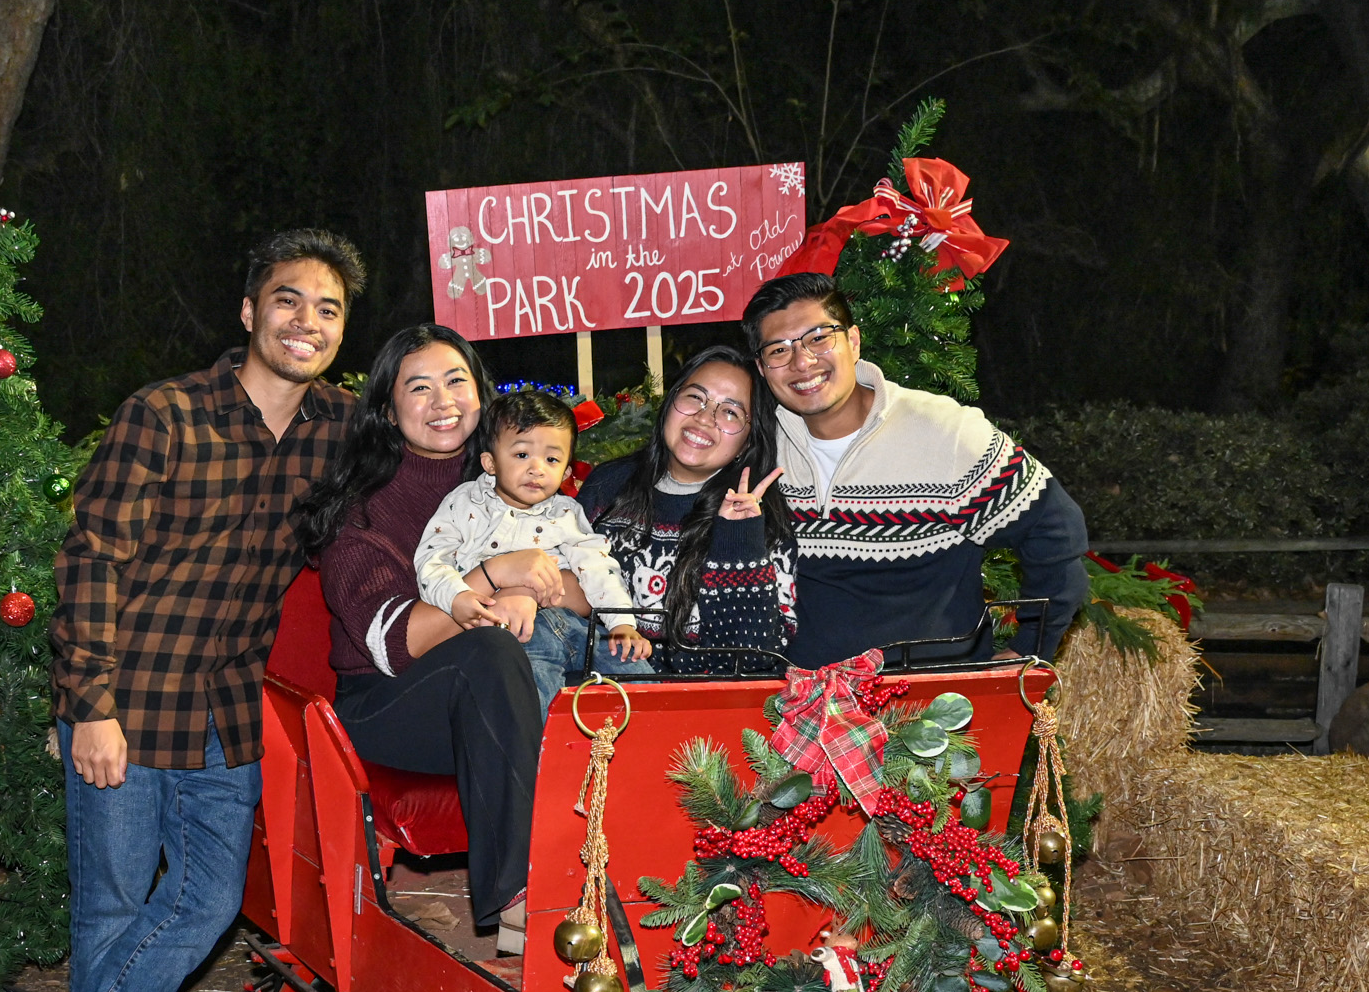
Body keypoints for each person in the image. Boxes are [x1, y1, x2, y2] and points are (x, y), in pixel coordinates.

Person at [0, 228, 365, 992]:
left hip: (230, 708)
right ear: (249, 312)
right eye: (289, 300)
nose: (306, 322)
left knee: (201, 906)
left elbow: (438, 450)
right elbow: (92, 562)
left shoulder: (339, 430)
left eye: (328, 310)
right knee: (113, 906)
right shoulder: (164, 414)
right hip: (130, 696)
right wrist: (89, 705)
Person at [292, 324, 569, 956]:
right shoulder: (363, 510)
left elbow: (579, 583)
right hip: (386, 705)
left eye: (456, 382)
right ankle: (523, 900)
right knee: (485, 651)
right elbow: (392, 642)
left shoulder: (522, 476)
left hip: (505, 701)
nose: (443, 400)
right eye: (419, 388)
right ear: (389, 410)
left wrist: (535, 586)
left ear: (481, 394)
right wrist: (497, 574)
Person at [741, 273, 1088, 667]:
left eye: (819, 337)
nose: (802, 361)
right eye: (779, 350)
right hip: (802, 708)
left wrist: (1030, 647)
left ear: (853, 342)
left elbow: (1056, 530)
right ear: (763, 367)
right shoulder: (760, 446)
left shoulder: (945, 432)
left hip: (934, 712)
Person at [415, 389, 653, 715]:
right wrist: (457, 596)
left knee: (640, 678)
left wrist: (622, 623)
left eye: (552, 459)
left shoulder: (567, 512)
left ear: (567, 473)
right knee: (533, 704)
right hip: (515, 636)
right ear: (490, 462)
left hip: (577, 625)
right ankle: (547, 764)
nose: (537, 468)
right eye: (522, 455)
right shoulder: (464, 503)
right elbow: (432, 558)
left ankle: (669, 757)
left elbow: (598, 565)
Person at [577, 346, 796, 673]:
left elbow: (752, 662)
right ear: (670, 403)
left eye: (731, 412)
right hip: (600, 701)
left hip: (704, 711)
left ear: (748, 441)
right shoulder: (607, 487)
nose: (705, 418)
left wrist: (737, 539)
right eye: (695, 397)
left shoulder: (760, 518)